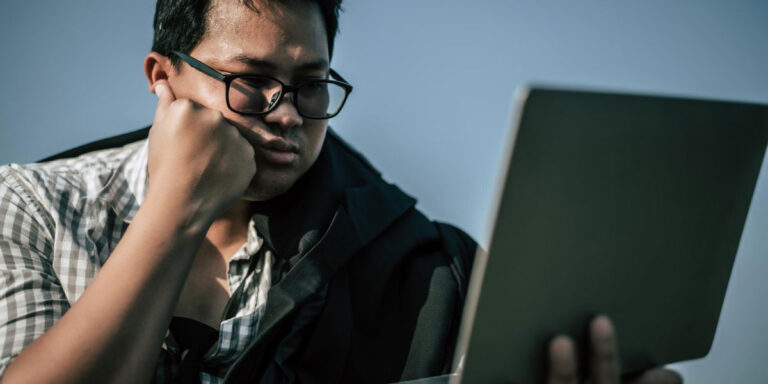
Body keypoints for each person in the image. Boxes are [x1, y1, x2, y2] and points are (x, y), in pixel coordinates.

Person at [0, 0, 680, 383]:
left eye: (311, 85)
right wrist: (178, 209)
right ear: (163, 77)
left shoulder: (424, 265)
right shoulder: (31, 207)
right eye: (252, 81)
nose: (289, 113)